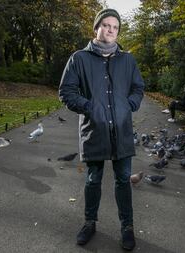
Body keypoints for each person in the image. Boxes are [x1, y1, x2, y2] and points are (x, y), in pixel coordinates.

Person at [59, 8, 144, 251]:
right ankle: (89, 223)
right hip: (94, 131)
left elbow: (138, 88)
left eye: (115, 27)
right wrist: (90, 108)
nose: (111, 30)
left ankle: (127, 227)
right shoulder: (79, 59)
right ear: (96, 28)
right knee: (93, 179)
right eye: (106, 25)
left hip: (122, 131)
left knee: (122, 181)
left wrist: (128, 106)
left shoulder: (127, 60)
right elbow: (66, 91)